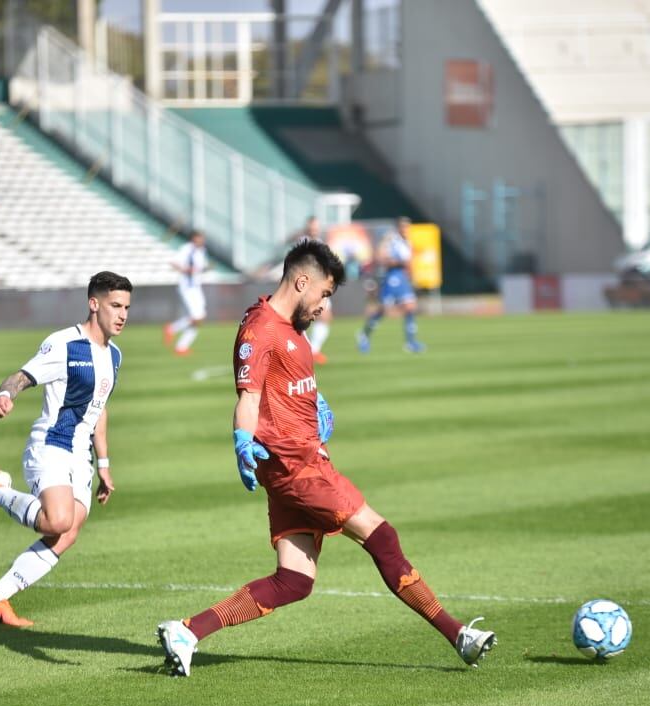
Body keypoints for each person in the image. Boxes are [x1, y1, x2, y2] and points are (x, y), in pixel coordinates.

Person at [156, 239, 495, 677]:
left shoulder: (289, 326)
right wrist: (242, 440)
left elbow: (286, 380)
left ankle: (187, 632)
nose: (324, 305)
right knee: (382, 537)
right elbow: (249, 396)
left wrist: (316, 401)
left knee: (294, 581)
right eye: (325, 294)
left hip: (299, 462)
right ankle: (459, 635)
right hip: (298, 468)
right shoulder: (260, 329)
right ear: (302, 281)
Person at [0, 271, 132, 627]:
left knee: (67, 532)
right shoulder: (64, 344)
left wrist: (104, 464)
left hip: (80, 458)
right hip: (51, 445)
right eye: (115, 305)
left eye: (127, 307)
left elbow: (99, 409)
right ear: (94, 304)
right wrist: (5, 394)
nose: (122, 314)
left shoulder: (114, 356)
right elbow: (21, 375)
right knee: (58, 519)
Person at [357, 217, 424, 354]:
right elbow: (381, 257)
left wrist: (412, 276)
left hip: (402, 276)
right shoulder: (392, 240)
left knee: (410, 307)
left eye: (408, 227)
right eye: (404, 227)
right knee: (384, 310)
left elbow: (409, 262)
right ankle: (364, 335)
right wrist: (397, 261)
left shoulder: (407, 242)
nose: (406, 230)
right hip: (392, 277)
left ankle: (410, 342)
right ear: (398, 228)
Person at [162, 230, 207, 356]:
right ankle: (172, 329)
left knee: (200, 317)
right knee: (196, 317)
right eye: (200, 238)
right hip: (188, 287)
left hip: (196, 287)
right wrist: (186, 269)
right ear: (194, 238)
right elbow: (173, 262)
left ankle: (181, 347)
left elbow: (199, 268)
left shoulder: (201, 251)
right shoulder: (187, 249)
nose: (202, 240)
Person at [300, 217, 332, 364]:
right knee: (303, 318)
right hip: (306, 285)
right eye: (312, 226)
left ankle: (313, 351)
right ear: (307, 227)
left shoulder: (320, 243)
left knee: (325, 316)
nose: (314, 229)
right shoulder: (302, 243)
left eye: (316, 226)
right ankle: (303, 351)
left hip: (319, 285)